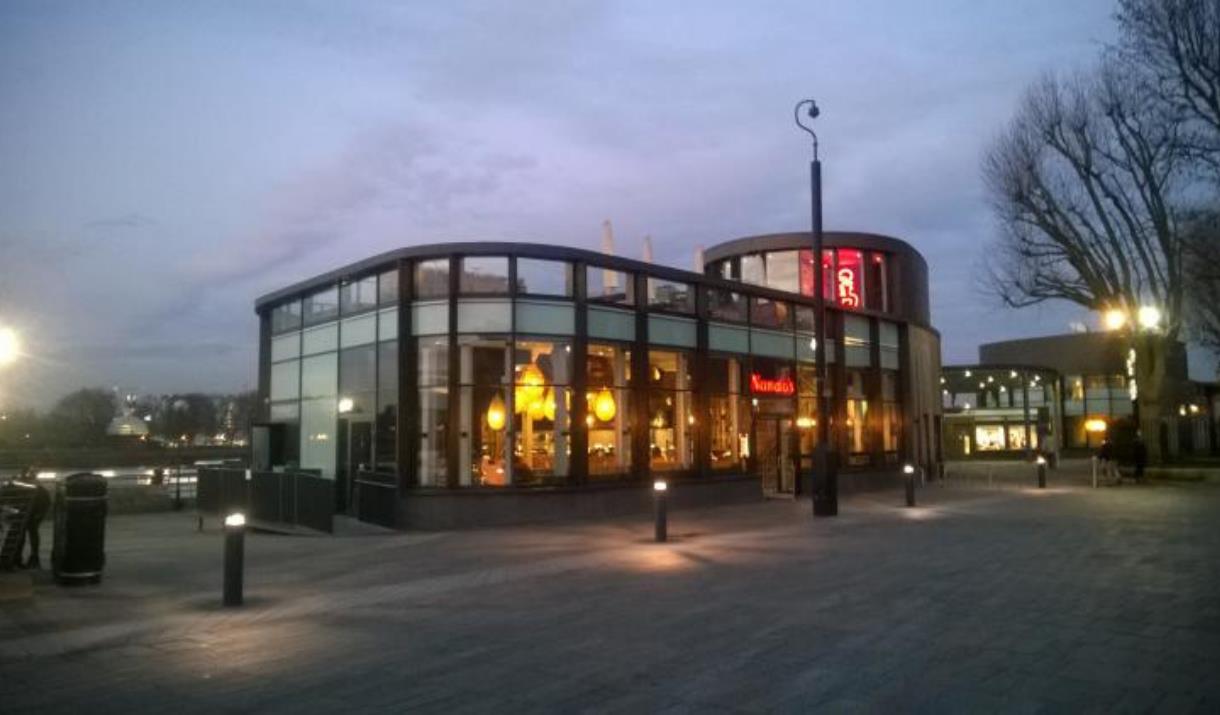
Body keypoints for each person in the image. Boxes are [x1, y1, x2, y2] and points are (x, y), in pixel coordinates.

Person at [16, 467, 51, 569]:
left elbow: (46, 503)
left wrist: (39, 515)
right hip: (26, 516)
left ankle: (28, 558)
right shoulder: (35, 489)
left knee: (27, 537)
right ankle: (21, 558)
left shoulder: (38, 490)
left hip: (30, 517)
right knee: (24, 538)